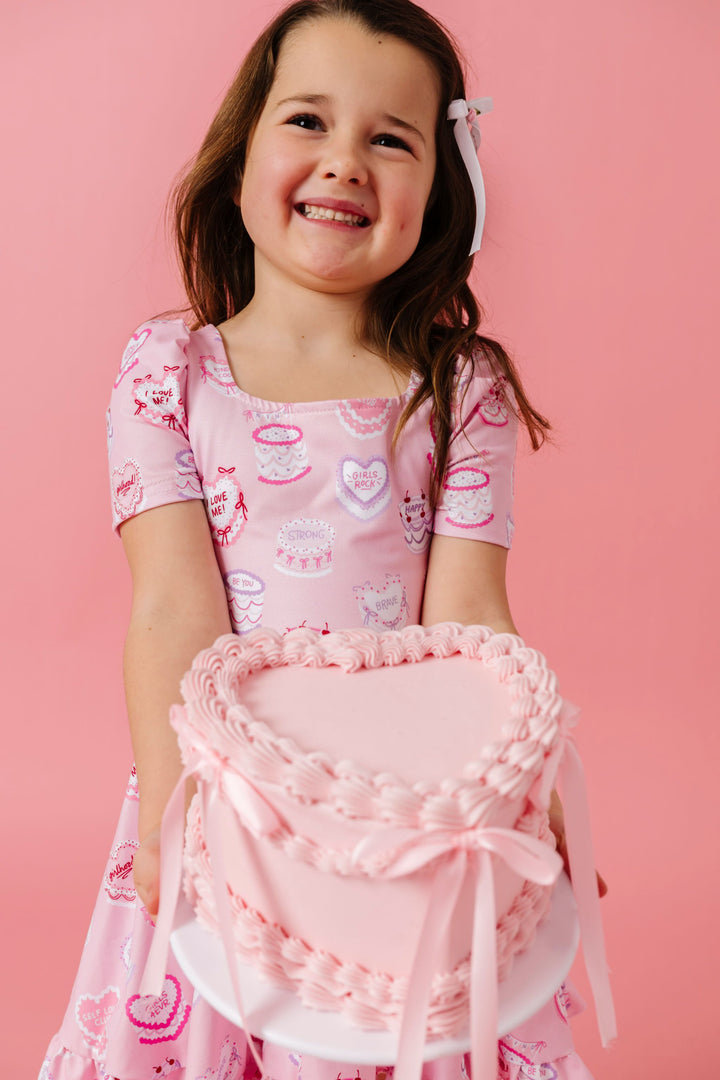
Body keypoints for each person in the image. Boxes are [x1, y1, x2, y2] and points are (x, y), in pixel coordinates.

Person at [40, 1, 602, 1077]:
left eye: (391, 138)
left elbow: (473, 624)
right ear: (242, 149)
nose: (345, 161)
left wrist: (530, 790)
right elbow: (169, 607)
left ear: (440, 191)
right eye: (308, 120)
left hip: (404, 818)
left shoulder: (458, 387)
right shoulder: (169, 373)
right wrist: (172, 817)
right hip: (228, 797)